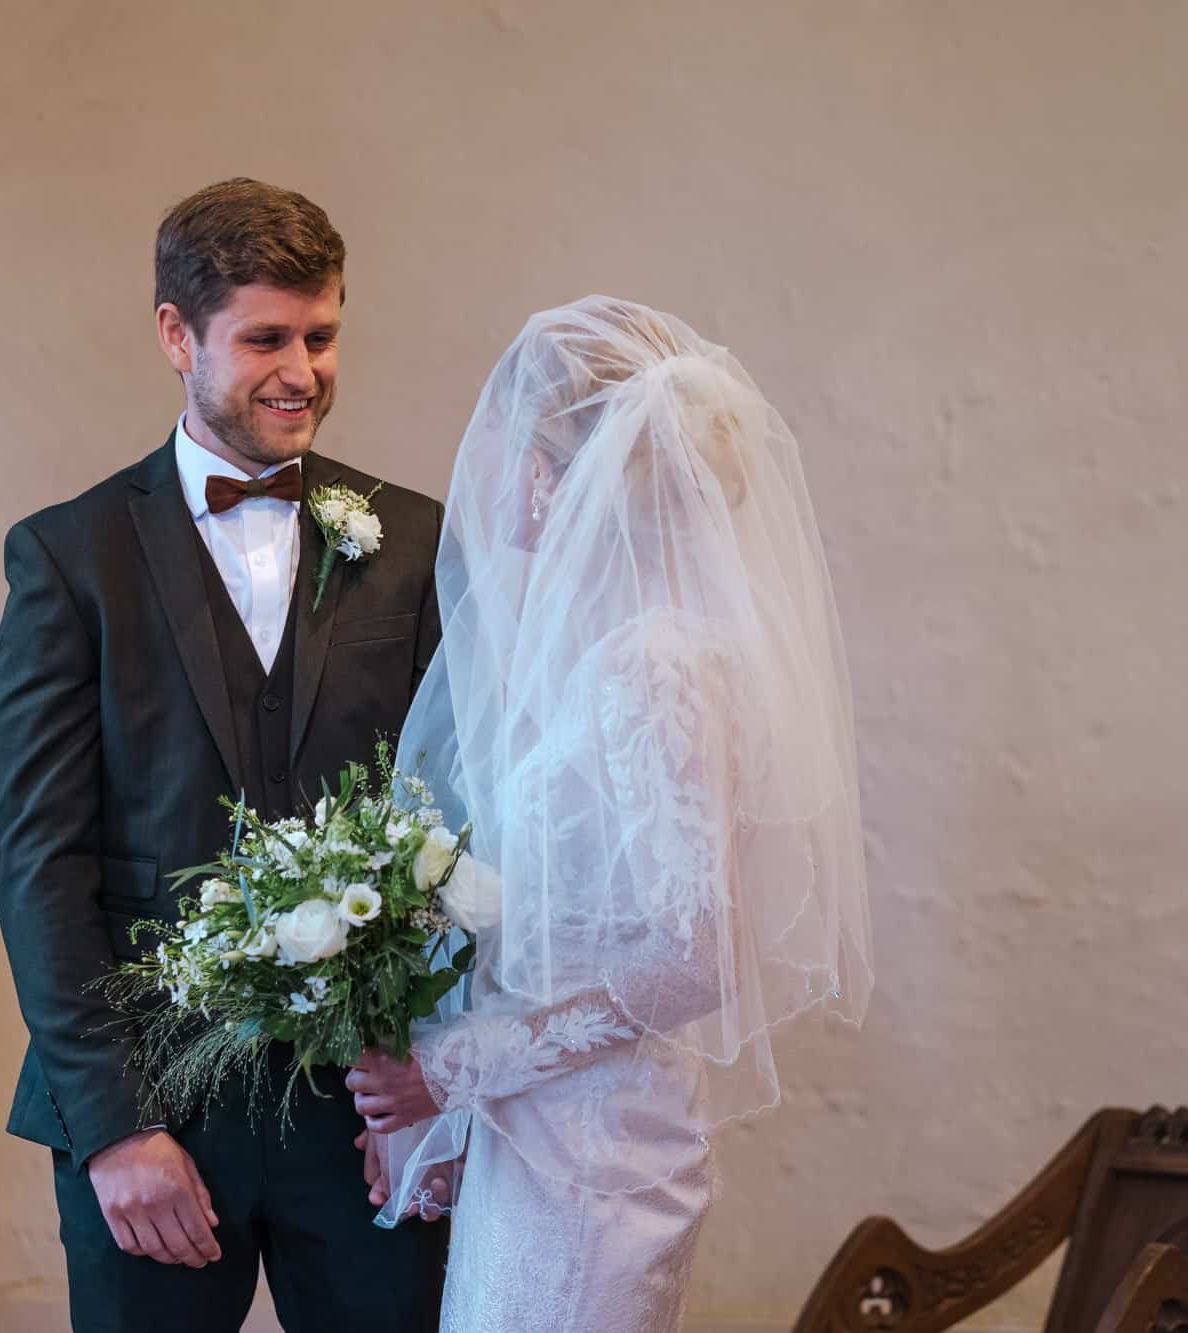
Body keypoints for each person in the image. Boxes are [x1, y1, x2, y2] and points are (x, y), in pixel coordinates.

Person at [345, 297, 873, 1331]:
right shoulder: (607, 655)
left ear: (553, 475)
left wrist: (446, 1070)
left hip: (598, 1159)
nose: (487, 473)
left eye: (503, 447)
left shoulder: (653, 668)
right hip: (536, 1137)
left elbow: (691, 955)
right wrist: (454, 1118)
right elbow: (562, 923)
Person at [0, 178, 447, 1332]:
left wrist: (431, 1089)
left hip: (360, 1115)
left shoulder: (418, 542)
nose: (301, 370)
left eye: (322, 335)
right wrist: (115, 1125)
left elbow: (464, 815)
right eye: (265, 339)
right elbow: (42, 860)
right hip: (151, 1117)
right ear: (174, 335)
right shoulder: (68, 556)